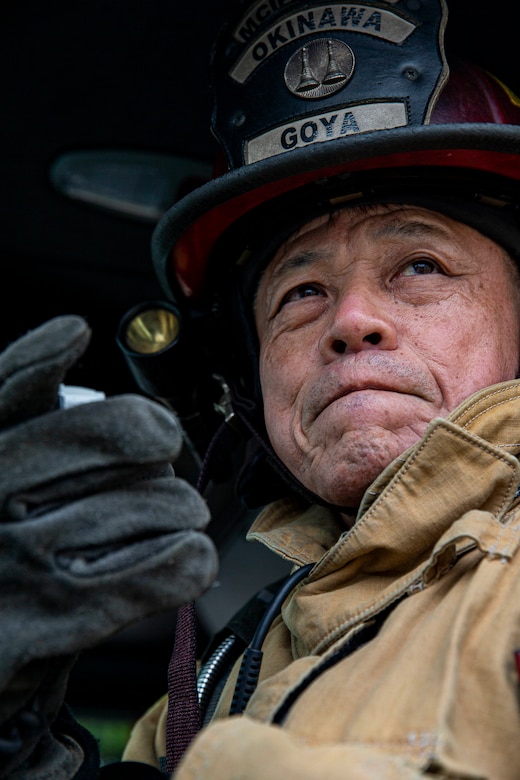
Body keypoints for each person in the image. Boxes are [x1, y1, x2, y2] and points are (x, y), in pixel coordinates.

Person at [2, 0, 520, 777]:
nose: (350, 320)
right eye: (300, 293)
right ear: (249, 377)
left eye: (420, 266)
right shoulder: (223, 670)